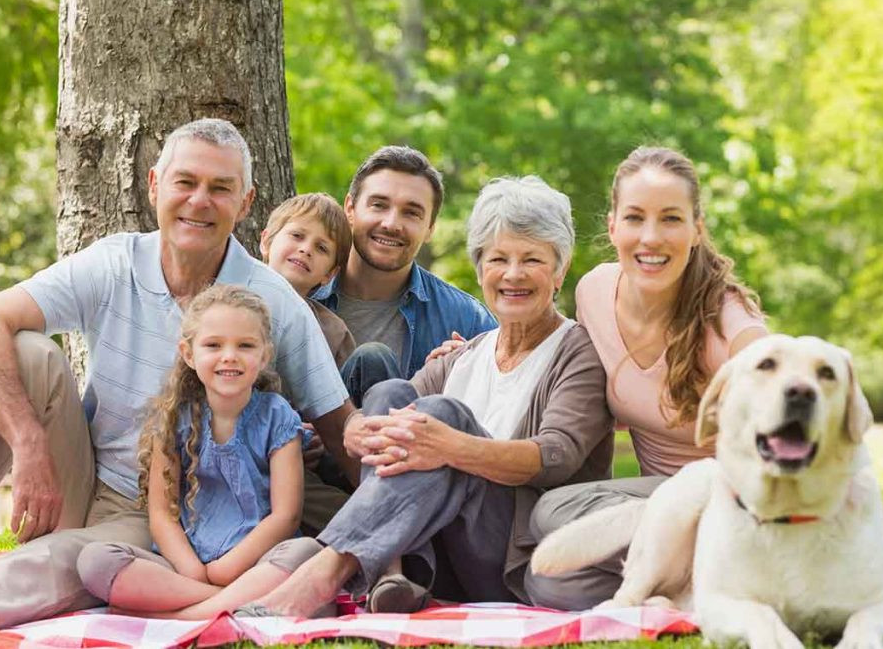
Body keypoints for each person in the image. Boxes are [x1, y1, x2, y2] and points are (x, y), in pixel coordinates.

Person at [0, 119, 357, 640]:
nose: (199, 201)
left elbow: (339, 425)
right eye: (185, 182)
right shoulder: (114, 262)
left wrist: (388, 526)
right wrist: (30, 446)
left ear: (245, 204)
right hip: (82, 475)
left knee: (60, 563)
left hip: (163, 514)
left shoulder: (274, 300)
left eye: (220, 189)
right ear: (155, 185)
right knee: (17, 350)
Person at [143, 175, 616, 619]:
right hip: (442, 557)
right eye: (497, 259)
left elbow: (557, 456)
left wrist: (452, 446)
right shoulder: (465, 356)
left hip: (517, 557)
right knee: (390, 392)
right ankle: (388, 570)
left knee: (440, 413)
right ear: (480, 268)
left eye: (531, 259)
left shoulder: (576, 351)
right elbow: (383, 419)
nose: (513, 274)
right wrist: (341, 434)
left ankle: (329, 570)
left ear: (560, 269)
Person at [526, 145, 768, 610]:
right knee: (550, 585)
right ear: (613, 225)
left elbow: (775, 370)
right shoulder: (595, 291)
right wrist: (470, 350)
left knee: (552, 513)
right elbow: (562, 363)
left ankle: (718, 570)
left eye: (671, 219)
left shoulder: (726, 317)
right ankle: (695, 586)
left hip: (731, 503)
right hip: (662, 519)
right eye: (635, 218)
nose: (651, 237)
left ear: (697, 229)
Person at [76, 285, 304, 613]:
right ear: (188, 353)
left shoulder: (277, 415)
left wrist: (226, 569)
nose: (229, 356)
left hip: (258, 562)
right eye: (213, 345)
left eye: (245, 345)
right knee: (97, 562)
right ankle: (226, 606)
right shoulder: (173, 418)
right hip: (187, 566)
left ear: (264, 354)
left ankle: (184, 615)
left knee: (305, 553)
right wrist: (195, 571)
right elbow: (162, 514)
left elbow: (286, 515)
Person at [314, 145, 497, 405]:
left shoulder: (467, 321)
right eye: (379, 205)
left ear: (430, 228)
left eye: (411, 213)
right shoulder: (298, 294)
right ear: (350, 209)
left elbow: (505, 408)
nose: (391, 224)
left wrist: (465, 378)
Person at [259, 193, 355, 368]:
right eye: (297, 235)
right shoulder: (227, 300)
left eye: (321, 248)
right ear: (266, 242)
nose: (306, 249)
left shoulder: (333, 332)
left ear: (330, 274)